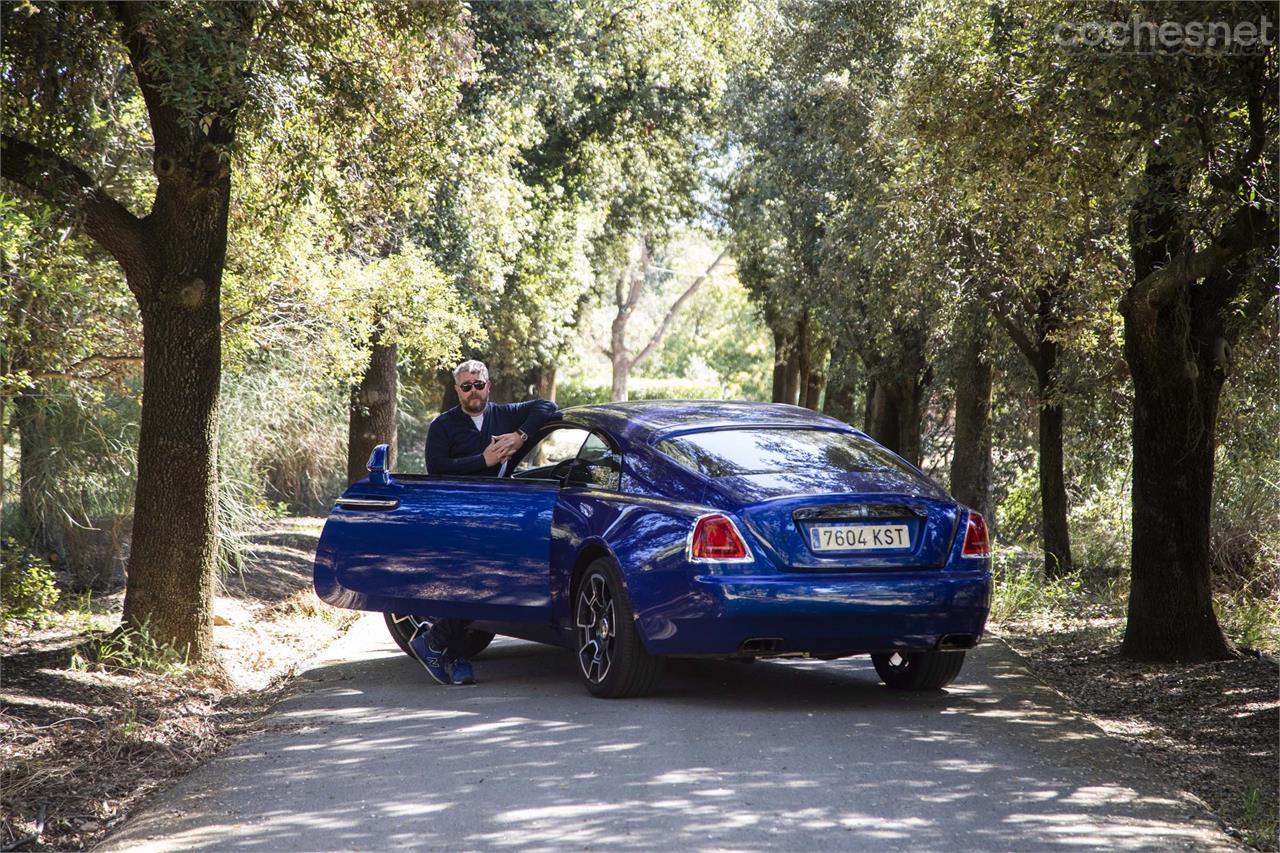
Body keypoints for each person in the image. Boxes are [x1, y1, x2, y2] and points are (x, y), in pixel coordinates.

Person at [409, 359, 558, 686]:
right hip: (458, 513)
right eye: (466, 387)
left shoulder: (504, 415)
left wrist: (520, 436)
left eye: (479, 385)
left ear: (488, 385)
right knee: (476, 582)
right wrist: (484, 460)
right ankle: (449, 651)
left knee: (486, 582)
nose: (474, 391)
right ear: (457, 390)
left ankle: (441, 647)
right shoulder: (443, 426)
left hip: (498, 514)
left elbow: (548, 406)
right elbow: (437, 469)